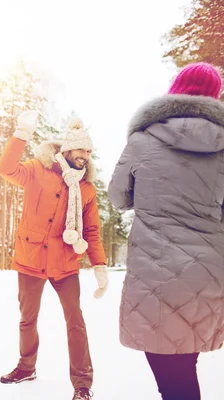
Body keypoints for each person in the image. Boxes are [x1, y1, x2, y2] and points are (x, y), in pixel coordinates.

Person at [108, 62, 224, 400]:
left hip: (155, 271)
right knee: (184, 364)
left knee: (173, 376)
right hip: (207, 273)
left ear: (174, 91)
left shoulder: (143, 139)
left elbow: (117, 196)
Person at [0, 111, 108, 400]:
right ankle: (26, 367)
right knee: (27, 319)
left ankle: (82, 384)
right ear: (68, 149)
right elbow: (6, 169)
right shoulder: (37, 170)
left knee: (75, 321)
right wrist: (21, 134)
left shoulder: (86, 188)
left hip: (65, 263)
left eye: (89, 150)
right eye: (82, 149)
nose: (86, 154)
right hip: (30, 258)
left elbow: (92, 229)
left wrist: (99, 265)